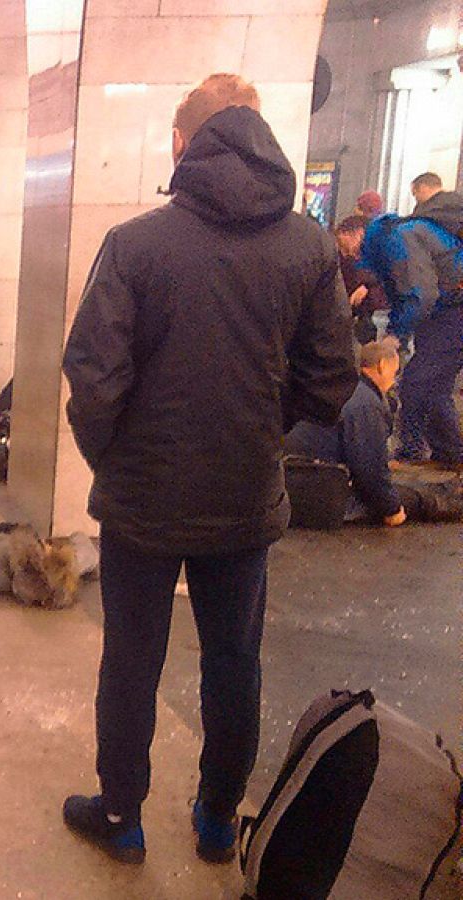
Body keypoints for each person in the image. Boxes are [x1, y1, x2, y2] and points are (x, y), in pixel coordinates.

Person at [60, 74, 356, 866]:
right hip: (244, 498)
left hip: (142, 501)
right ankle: (220, 819)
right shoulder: (309, 247)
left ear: (180, 144)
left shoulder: (135, 245)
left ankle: (121, 817)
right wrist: (260, 426)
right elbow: (332, 381)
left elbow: (93, 377)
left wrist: (114, 457)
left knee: (131, 660)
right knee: (234, 662)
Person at [285, 339, 463, 524]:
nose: (394, 381)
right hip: (325, 493)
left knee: (408, 488)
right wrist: (391, 509)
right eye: (394, 373)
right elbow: (368, 468)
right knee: (420, 499)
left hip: (301, 482)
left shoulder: (347, 388)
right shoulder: (365, 402)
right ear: (382, 365)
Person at [350, 190, 463, 467]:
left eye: (349, 246)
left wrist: (395, 335)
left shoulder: (399, 239)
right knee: (434, 386)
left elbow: (421, 295)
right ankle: (450, 454)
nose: (349, 254)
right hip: (445, 312)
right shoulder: (397, 237)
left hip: (452, 312)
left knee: (416, 382)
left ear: (360, 234)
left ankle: (412, 452)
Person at [334, 216, 387, 343]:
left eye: (343, 246)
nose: (345, 253)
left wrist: (367, 286)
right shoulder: (343, 259)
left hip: (375, 317)